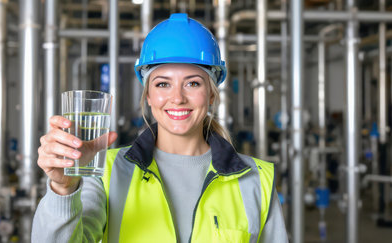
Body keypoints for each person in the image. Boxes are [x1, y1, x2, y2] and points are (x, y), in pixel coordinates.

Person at [32, 13, 288, 243]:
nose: (177, 98)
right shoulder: (107, 173)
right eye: (163, 84)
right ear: (148, 96)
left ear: (211, 94)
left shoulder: (256, 180)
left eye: (193, 83)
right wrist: (63, 190)